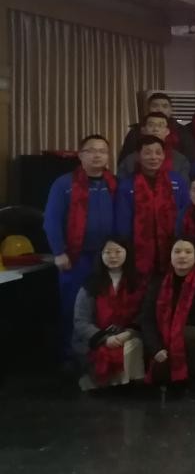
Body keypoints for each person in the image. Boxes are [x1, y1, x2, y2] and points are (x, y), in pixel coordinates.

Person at [46, 134, 118, 359]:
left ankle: (102, 358)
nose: (97, 155)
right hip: (75, 257)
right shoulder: (64, 183)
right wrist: (59, 252)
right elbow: (51, 220)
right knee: (73, 306)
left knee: (107, 307)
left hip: (108, 258)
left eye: (102, 151)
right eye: (91, 150)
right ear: (80, 155)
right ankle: (72, 356)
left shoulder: (114, 183)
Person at [140, 238, 195, 390]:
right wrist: (155, 347)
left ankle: (191, 383)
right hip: (162, 335)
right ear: (170, 255)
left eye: (188, 252)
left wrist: (174, 328)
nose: (182, 256)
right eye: (177, 251)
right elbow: (147, 319)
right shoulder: (157, 282)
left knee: (189, 334)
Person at [71, 237, 145, 391]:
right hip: (97, 338)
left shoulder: (138, 282)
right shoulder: (91, 284)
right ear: (101, 255)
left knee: (134, 345)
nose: (113, 256)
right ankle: (105, 384)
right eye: (108, 252)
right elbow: (81, 321)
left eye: (118, 251)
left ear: (127, 253)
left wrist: (128, 333)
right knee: (105, 354)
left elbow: (144, 314)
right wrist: (105, 338)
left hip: (127, 335)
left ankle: (127, 386)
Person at [114, 135, 189, 279]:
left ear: (164, 155)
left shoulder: (177, 181)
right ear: (138, 156)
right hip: (139, 250)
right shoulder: (127, 185)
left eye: (158, 153)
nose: (154, 157)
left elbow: (185, 213)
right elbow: (122, 222)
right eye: (147, 153)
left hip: (172, 246)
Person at [119, 91, 195, 162]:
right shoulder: (136, 131)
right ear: (147, 109)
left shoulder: (182, 131)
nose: (160, 109)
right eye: (155, 106)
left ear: (171, 110)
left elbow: (190, 159)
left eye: (165, 106)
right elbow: (124, 160)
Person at [118, 112, 191, 179]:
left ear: (167, 131)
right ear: (143, 130)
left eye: (160, 125)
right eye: (151, 125)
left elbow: (184, 186)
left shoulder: (180, 160)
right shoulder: (129, 160)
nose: (155, 129)